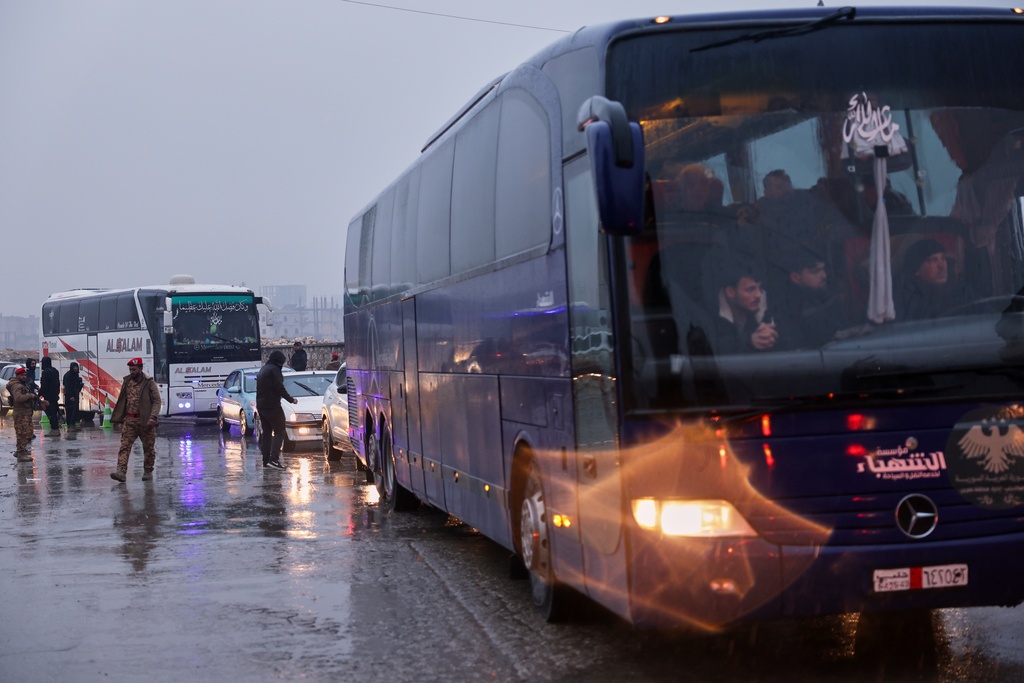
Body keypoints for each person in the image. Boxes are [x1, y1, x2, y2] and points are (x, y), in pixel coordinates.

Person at [768, 249, 847, 349]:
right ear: (796, 277)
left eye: (823, 269)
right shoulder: (788, 310)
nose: (824, 276)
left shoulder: (824, 296)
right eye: (815, 272)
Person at [109, 357, 162, 483]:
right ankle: (121, 472)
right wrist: (118, 419)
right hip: (129, 421)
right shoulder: (127, 381)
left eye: (134, 369)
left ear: (141, 368)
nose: (132, 372)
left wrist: (153, 417)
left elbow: (157, 401)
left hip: (145, 422)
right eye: (130, 369)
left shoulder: (149, 383)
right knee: (124, 446)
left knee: (148, 448)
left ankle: (148, 471)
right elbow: (122, 401)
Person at [895, 238, 974, 320]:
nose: (942, 266)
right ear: (917, 270)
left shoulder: (959, 288)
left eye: (943, 258)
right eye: (933, 260)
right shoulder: (906, 296)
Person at [712, 258, 779, 353]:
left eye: (760, 288)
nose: (758, 295)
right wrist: (748, 341)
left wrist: (771, 336)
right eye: (750, 289)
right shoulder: (709, 317)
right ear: (730, 292)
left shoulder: (770, 307)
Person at [257, 350, 298, 469]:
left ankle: (266, 461)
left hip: (261, 405)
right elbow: (279, 388)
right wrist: (291, 399)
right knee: (280, 431)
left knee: (267, 433)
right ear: (279, 361)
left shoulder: (264, 369)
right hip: (272, 405)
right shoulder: (274, 370)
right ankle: (274, 459)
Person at [7, 367, 44, 462]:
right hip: (21, 413)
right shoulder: (17, 386)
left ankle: (21, 451)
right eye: (22, 375)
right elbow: (18, 398)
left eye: (25, 375)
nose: (24, 377)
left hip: (26, 412)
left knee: (28, 433)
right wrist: (29, 396)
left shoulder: (22, 385)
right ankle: (21, 453)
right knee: (22, 433)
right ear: (18, 376)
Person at [39, 356, 61, 434]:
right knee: (54, 412)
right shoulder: (55, 371)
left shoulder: (45, 372)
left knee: (50, 413)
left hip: (48, 396)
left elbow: (44, 385)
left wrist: (40, 394)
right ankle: (56, 429)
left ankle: (54, 429)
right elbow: (58, 383)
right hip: (55, 395)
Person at [62, 362, 84, 429]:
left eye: (76, 367)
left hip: (75, 394)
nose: (75, 368)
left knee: (75, 410)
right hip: (70, 396)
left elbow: (76, 385)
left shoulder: (76, 375)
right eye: (74, 367)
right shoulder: (68, 375)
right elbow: (67, 386)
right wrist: (70, 396)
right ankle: (70, 424)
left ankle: (73, 424)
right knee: (70, 411)